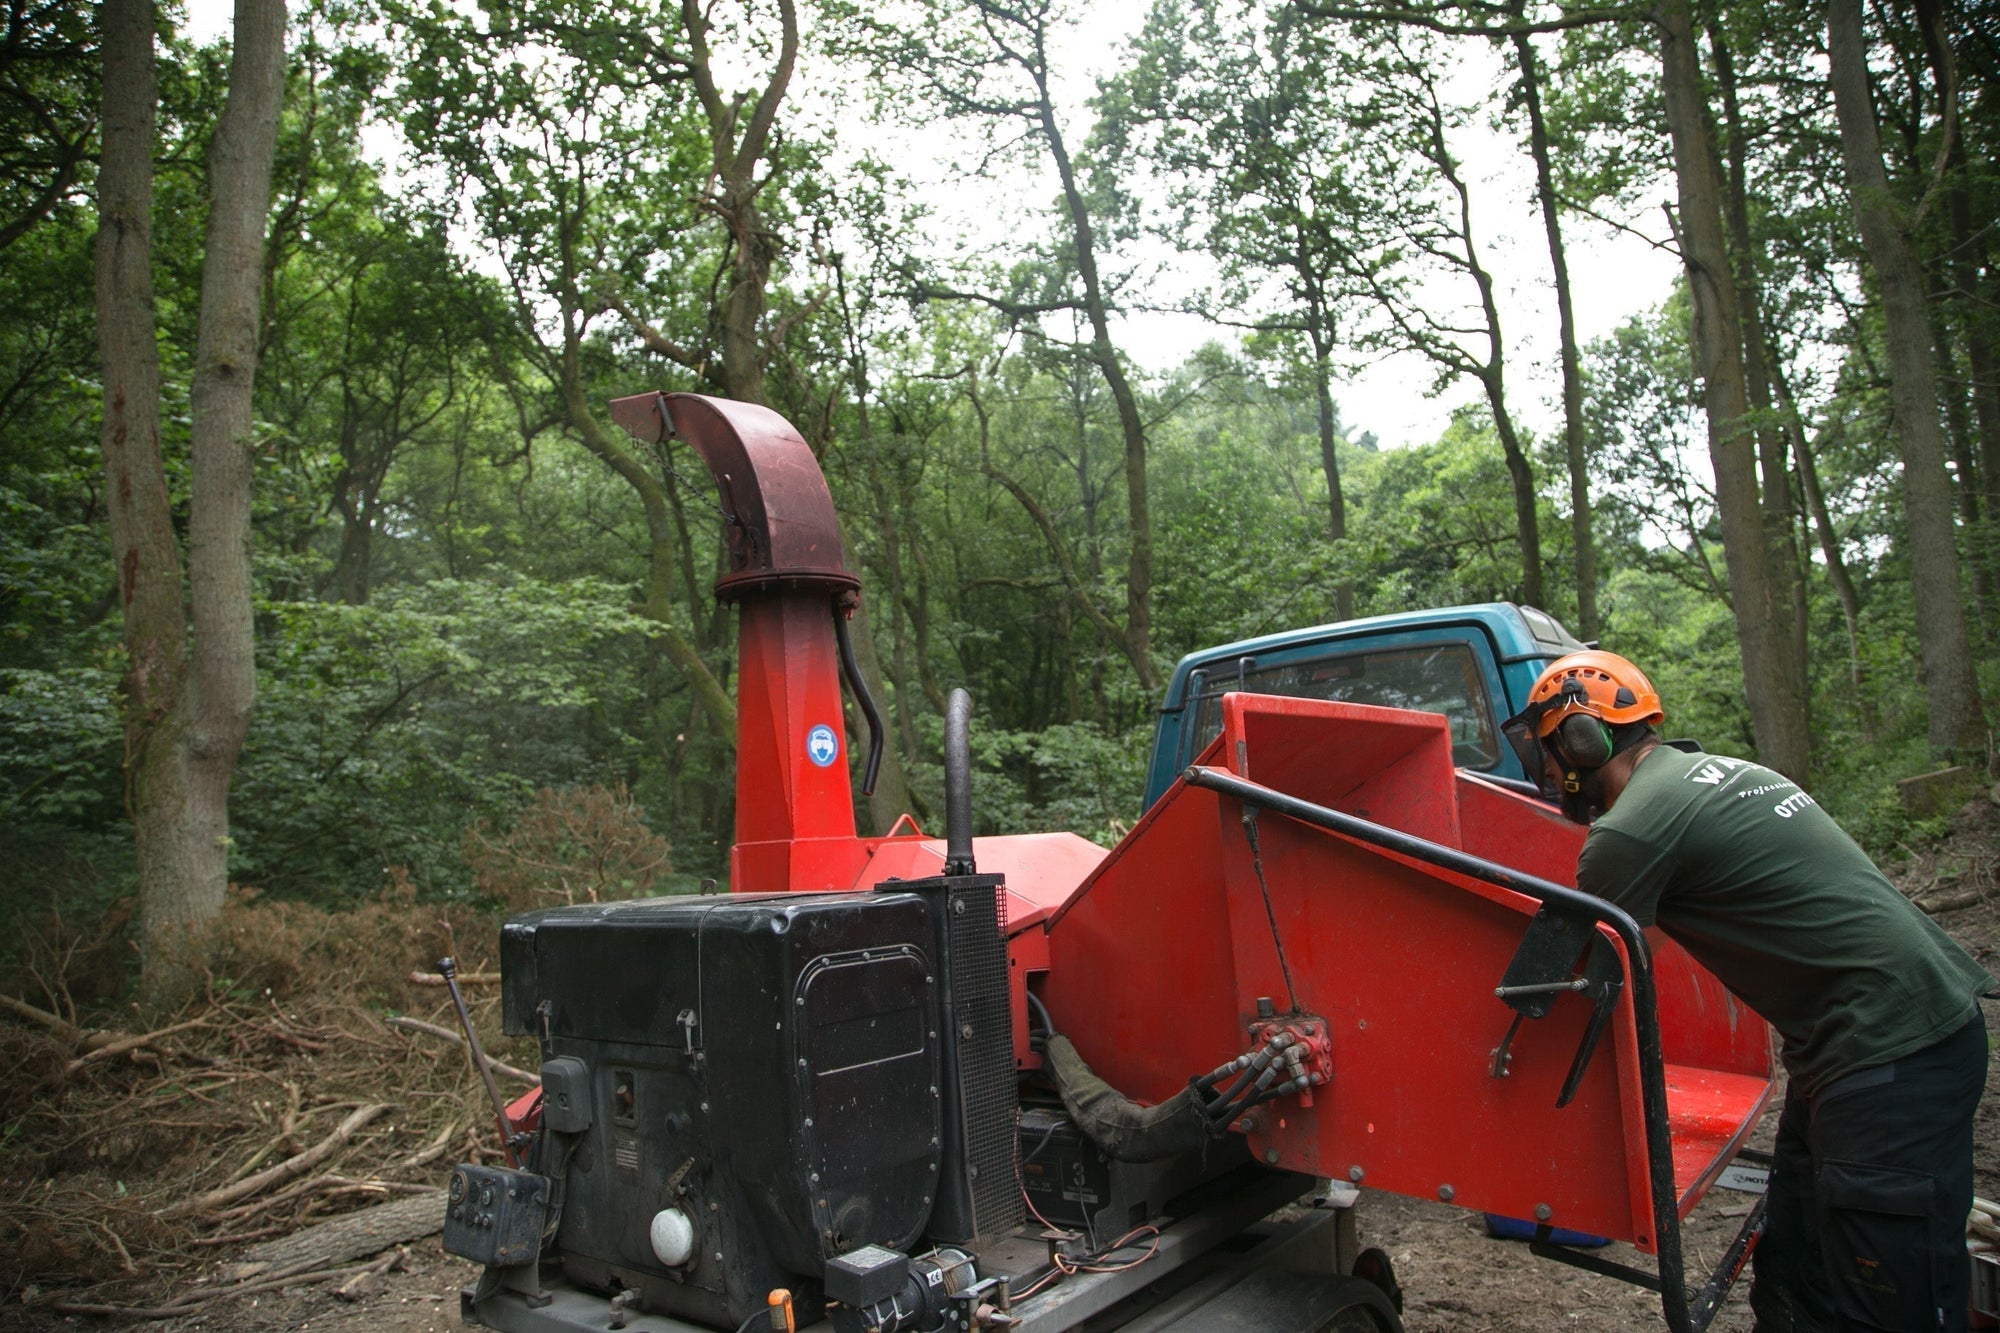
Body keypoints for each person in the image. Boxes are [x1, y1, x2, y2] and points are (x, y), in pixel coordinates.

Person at [1501, 650, 1994, 1333]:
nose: (1549, 770)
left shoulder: (1629, 829)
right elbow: (1642, 945)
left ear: (1583, 738)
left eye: (1550, 749)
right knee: (1795, 1269)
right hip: (1860, 1046)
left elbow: (1571, 977)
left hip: (1889, 1054)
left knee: (1889, 1304)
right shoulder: (1719, 775)